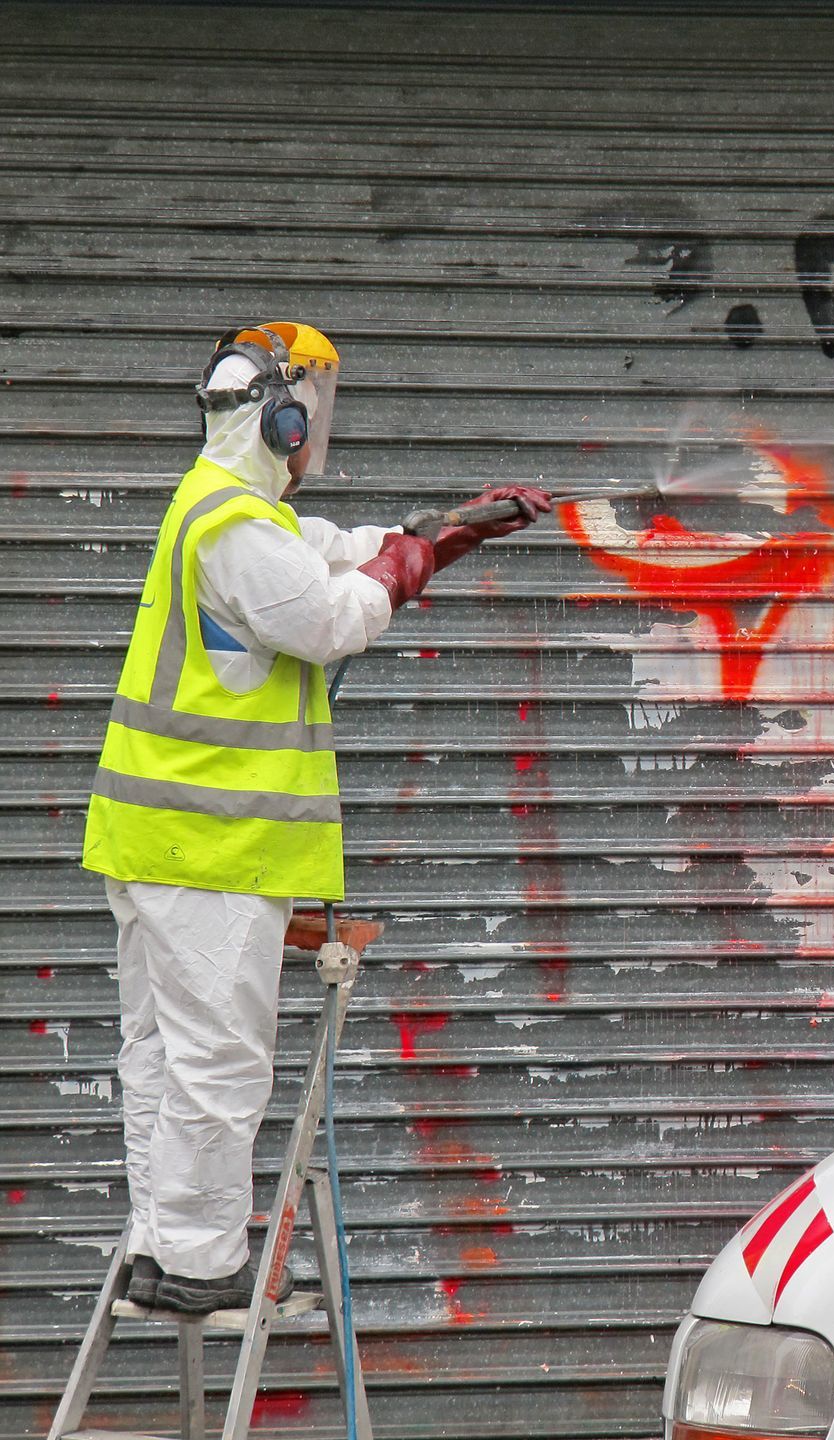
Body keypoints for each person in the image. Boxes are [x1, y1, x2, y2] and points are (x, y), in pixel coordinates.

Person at [81, 323, 551, 1313]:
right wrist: (405, 567)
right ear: (279, 416)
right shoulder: (238, 531)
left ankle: (163, 1246)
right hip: (208, 850)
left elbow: (330, 551)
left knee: (160, 1059)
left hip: (154, 841)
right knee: (215, 1067)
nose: (312, 433)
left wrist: (436, 532)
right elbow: (327, 616)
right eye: (307, 412)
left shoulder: (221, 507)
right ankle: (205, 1266)